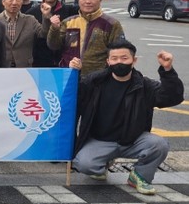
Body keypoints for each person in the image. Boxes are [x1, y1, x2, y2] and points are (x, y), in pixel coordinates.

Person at [71, 40, 184, 195]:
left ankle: (140, 176)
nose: (119, 62)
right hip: (100, 140)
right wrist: (75, 73)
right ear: (108, 61)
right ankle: (103, 163)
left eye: (124, 58)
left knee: (160, 145)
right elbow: (73, 97)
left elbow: (171, 97)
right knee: (84, 164)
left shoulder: (144, 85)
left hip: (133, 140)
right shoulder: (94, 82)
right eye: (114, 58)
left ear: (134, 60)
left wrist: (167, 70)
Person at [47, 0, 125, 77]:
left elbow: (119, 52)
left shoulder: (111, 24)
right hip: (69, 76)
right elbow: (54, 46)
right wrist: (54, 29)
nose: (88, 1)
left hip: (98, 79)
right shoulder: (68, 22)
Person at [0, 0, 53, 68]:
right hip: (1, 66)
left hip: (24, 66)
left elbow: (43, 34)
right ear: (3, 1)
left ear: (22, 1)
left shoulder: (30, 19)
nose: (14, 3)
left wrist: (46, 17)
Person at [28, 0, 79, 67]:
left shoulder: (69, 11)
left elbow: (83, 7)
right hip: (39, 62)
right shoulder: (32, 13)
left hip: (64, 60)